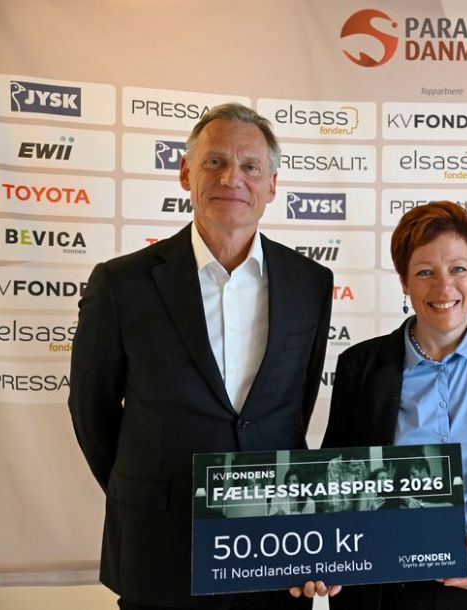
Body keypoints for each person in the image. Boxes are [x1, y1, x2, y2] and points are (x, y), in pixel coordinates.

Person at [68, 103, 333, 610]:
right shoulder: (122, 283)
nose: (232, 178)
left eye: (251, 166)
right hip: (159, 547)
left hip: (273, 552)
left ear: (272, 185)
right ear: (186, 173)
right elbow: (91, 410)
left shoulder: (311, 284)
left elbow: (294, 407)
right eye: (215, 162)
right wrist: (142, 491)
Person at [292, 201, 467, 609]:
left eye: (458, 269)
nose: (444, 288)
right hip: (385, 590)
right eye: (425, 272)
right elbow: (337, 482)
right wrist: (328, 558)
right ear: (404, 282)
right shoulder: (361, 366)